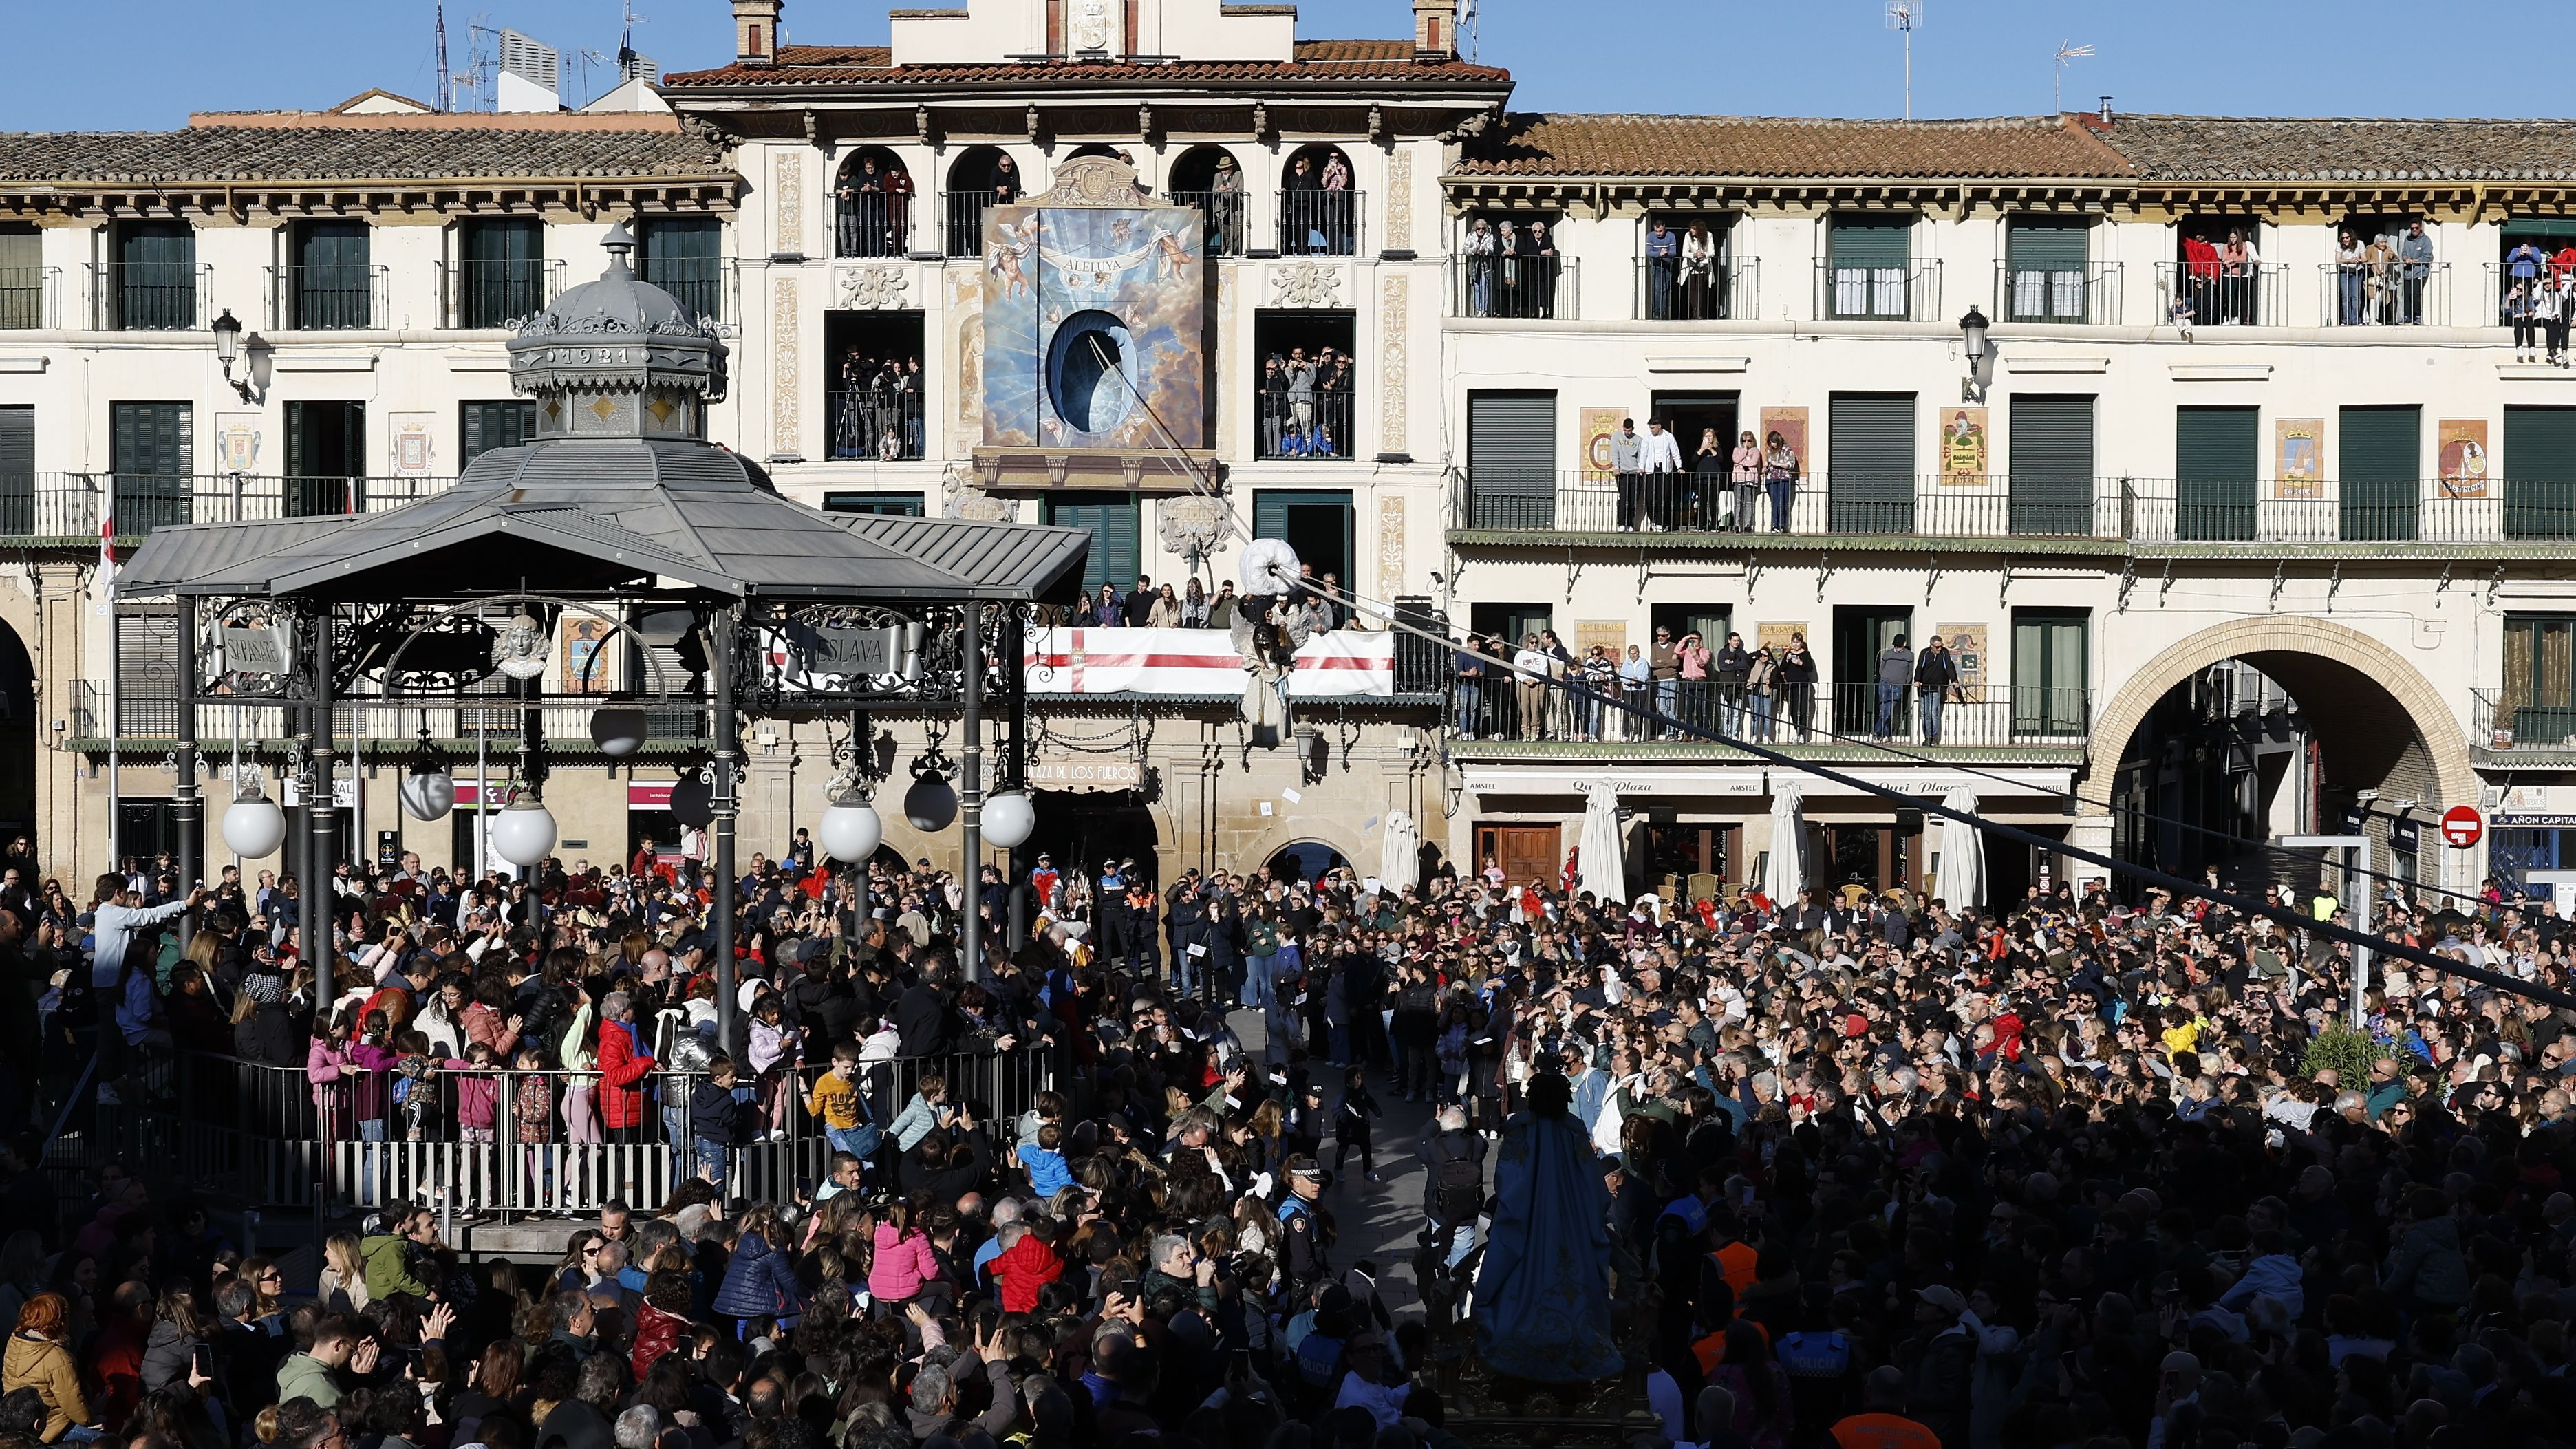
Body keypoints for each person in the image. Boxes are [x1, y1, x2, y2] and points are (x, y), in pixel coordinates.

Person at [1471, 1070, 1620, 1380]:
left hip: (1527, 1233)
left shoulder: (1520, 1134)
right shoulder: (1575, 1135)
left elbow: (1509, 1189)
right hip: (1574, 1234)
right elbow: (1596, 1193)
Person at [1912, 634, 1958, 746]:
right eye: (1937, 647)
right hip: (1924, 687)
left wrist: (1954, 680)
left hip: (1937, 687)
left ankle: (1934, 737)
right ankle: (1927, 737)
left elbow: (1949, 666)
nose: (1939, 649)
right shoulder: (1925, 653)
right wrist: (1917, 680)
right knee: (1925, 713)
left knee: (1934, 712)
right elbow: (1919, 667)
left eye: (1941, 646)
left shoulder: (1944, 653)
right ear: (1931, 646)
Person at [1874, 633, 1913, 740]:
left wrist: (1905, 683)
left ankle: (1876, 731)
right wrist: (1884, 677)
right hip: (1885, 684)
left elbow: (1910, 672)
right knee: (1884, 710)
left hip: (1898, 686)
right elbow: (1881, 668)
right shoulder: (1888, 654)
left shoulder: (1910, 655)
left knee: (1888, 710)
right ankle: (1885, 734)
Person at [1761, 429, 1799, 532]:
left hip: (1784, 479)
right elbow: (1766, 463)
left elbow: (1791, 465)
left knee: (1782, 502)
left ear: (1778, 440)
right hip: (1771, 479)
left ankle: (1781, 525)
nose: (1772, 445)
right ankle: (1774, 525)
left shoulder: (1788, 451)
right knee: (1775, 503)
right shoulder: (1770, 452)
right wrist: (1764, 469)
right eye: (1770, 443)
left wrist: (1777, 464)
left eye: (1773, 442)